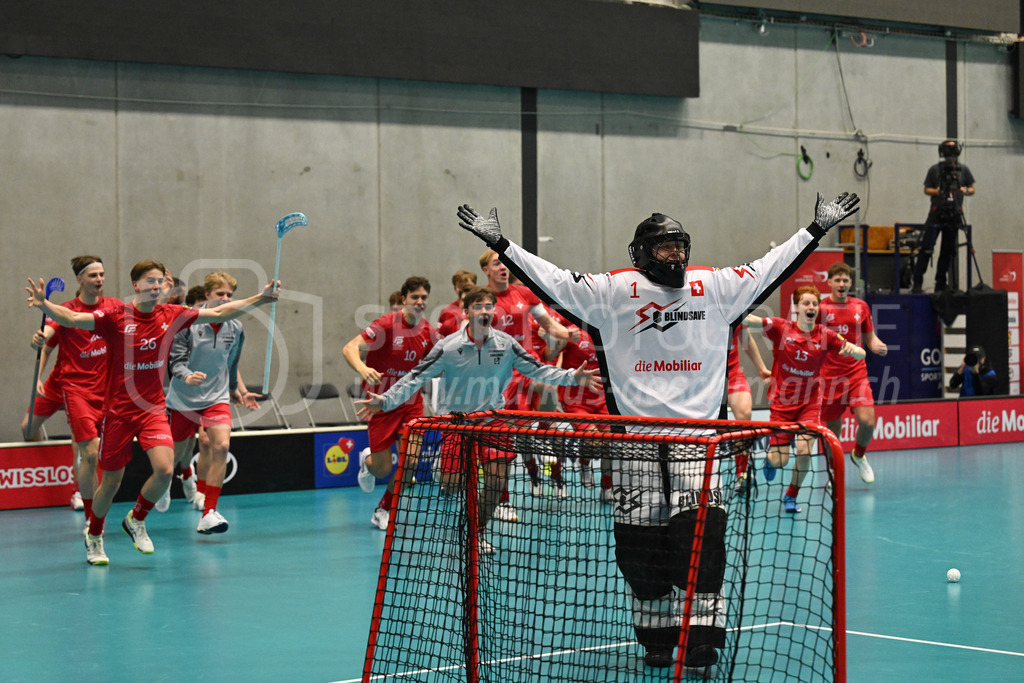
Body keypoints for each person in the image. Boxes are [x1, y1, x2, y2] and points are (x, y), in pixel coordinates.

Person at [456, 191, 859, 669]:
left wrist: (814, 229)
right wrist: (502, 244)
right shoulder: (611, 292)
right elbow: (554, 281)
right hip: (636, 446)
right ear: (642, 252)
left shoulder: (715, 286)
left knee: (702, 539)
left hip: (700, 444)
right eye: (667, 247)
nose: (678, 255)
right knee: (638, 551)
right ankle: (656, 638)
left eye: (681, 245)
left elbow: (773, 265)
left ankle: (705, 634)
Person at [27, 261, 280, 566]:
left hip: (153, 409)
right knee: (110, 483)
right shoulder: (115, 316)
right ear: (135, 285)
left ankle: (136, 518)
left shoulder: (170, 314)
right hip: (119, 412)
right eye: (149, 282)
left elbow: (219, 312)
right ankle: (94, 535)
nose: (156, 287)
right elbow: (72, 317)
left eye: (160, 282)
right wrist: (46, 305)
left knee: (163, 469)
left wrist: (261, 299)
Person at [355, 286, 598, 553]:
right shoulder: (448, 347)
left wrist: (571, 377)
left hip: (492, 420)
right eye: (479, 306)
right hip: (457, 422)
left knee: (496, 479)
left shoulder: (506, 345)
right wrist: (385, 400)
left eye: (489, 306)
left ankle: (475, 533)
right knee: (452, 483)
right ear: (467, 312)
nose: (485, 311)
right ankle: (443, 469)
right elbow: (416, 377)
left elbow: (538, 369)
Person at [746, 286, 865, 514]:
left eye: (814, 303)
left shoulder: (825, 335)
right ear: (797, 307)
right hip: (781, 405)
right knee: (780, 461)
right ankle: (770, 461)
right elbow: (751, 321)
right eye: (806, 303)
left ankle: (791, 495)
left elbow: (860, 353)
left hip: (809, 404)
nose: (810, 307)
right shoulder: (781, 328)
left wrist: (852, 350)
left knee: (803, 451)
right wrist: (732, 311)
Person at [164, 271, 261, 534]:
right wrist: (187, 376)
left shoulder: (236, 327)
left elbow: (232, 363)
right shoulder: (188, 323)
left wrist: (235, 391)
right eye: (220, 294)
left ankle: (209, 512)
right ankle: (163, 486)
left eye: (230, 295)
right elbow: (176, 361)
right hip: (184, 397)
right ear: (207, 295)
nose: (225, 298)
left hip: (216, 397)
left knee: (221, 445)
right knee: (173, 456)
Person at [23, 255, 120, 518]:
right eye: (93, 276)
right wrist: (38, 347)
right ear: (79, 280)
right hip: (64, 383)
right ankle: (65, 470)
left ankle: (86, 502)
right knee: (27, 427)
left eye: (102, 274)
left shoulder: (113, 307)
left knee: (87, 448)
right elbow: (48, 339)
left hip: (98, 386)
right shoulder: (66, 309)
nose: (99, 280)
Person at [343, 276, 440, 531]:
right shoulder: (386, 325)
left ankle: (384, 508)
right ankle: (367, 461)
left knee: (411, 462)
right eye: (415, 297)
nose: (420, 302)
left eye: (424, 297)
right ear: (404, 299)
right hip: (380, 404)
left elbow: (437, 364)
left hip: (411, 404)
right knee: (383, 469)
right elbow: (350, 348)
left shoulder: (428, 331)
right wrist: (363, 369)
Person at [480, 248, 571, 518]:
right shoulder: (483, 301)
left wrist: (565, 335)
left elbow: (554, 328)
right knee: (504, 441)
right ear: (486, 270)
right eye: (496, 263)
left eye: (505, 263)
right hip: (499, 375)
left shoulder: (525, 294)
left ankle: (546, 440)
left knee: (548, 392)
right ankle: (503, 500)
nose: (502, 267)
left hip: (530, 368)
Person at [818, 262, 888, 485]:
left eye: (845, 280)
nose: (842, 284)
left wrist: (877, 345)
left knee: (867, 422)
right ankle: (833, 472)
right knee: (832, 433)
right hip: (828, 377)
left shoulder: (861, 307)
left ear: (850, 283)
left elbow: (870, 337)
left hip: (856, 374)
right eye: (837, 280)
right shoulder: (820, 308)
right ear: (829, 282)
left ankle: (858, 454)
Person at [911, 140, 976, 293]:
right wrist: (938, 192)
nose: (950, 157)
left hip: (954, 214)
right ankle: (917, 282)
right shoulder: (934, 170)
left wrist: (963, 190)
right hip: (936, 213)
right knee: (926, 248)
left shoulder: (963, 170)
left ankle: (941, 282)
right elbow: (927, 189)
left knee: (947, 250)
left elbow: (972, 188)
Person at [726, 322, 771, 496]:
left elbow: (746, 338)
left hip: (733, 373)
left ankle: (742, 473)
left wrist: (762, 368)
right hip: (706, 376)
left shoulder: (735, 306)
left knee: (744, 415)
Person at [437, 269, 477, 337]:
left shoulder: (484, 308)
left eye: (468, 286)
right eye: (461, 287)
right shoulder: (446, 311)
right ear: (455, 289)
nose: (465, 289)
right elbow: (440, 337)